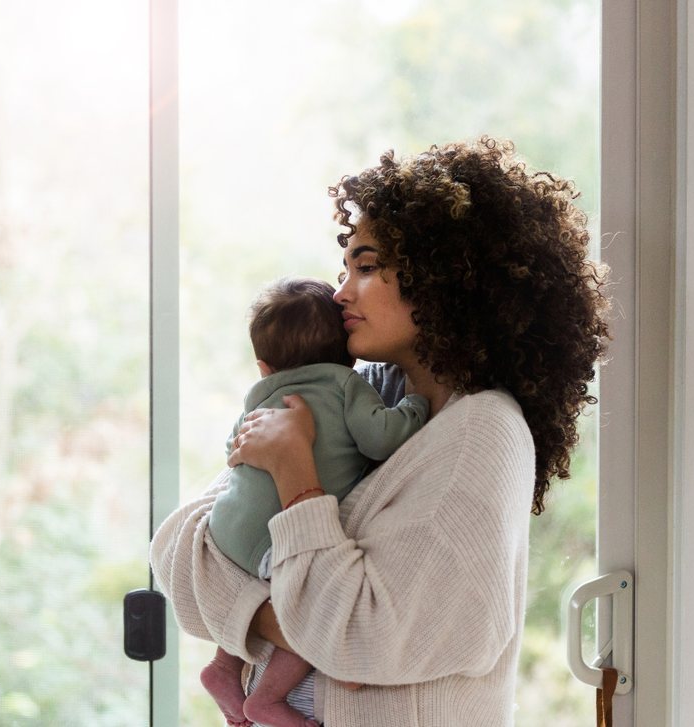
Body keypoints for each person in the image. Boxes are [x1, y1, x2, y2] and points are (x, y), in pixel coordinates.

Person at [150, 137, 610, 726]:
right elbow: (178, 549)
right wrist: (292, 624)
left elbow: (364, 639)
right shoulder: (365, 391)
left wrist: (295, 472)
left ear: (447, 278)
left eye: (366, 268)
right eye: (346, 269)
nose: (340, 294)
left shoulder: (482, 435)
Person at [199, 276, 429, 727]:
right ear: (349, 353)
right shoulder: (347, 384)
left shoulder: (259, 393)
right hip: (278, 536)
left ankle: (224, 666)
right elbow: (380, 439)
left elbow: (234, 450)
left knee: (257, 583)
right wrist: (415, 406)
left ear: (265, 367)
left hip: (226, 527)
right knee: (301, 609)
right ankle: (267, 699)